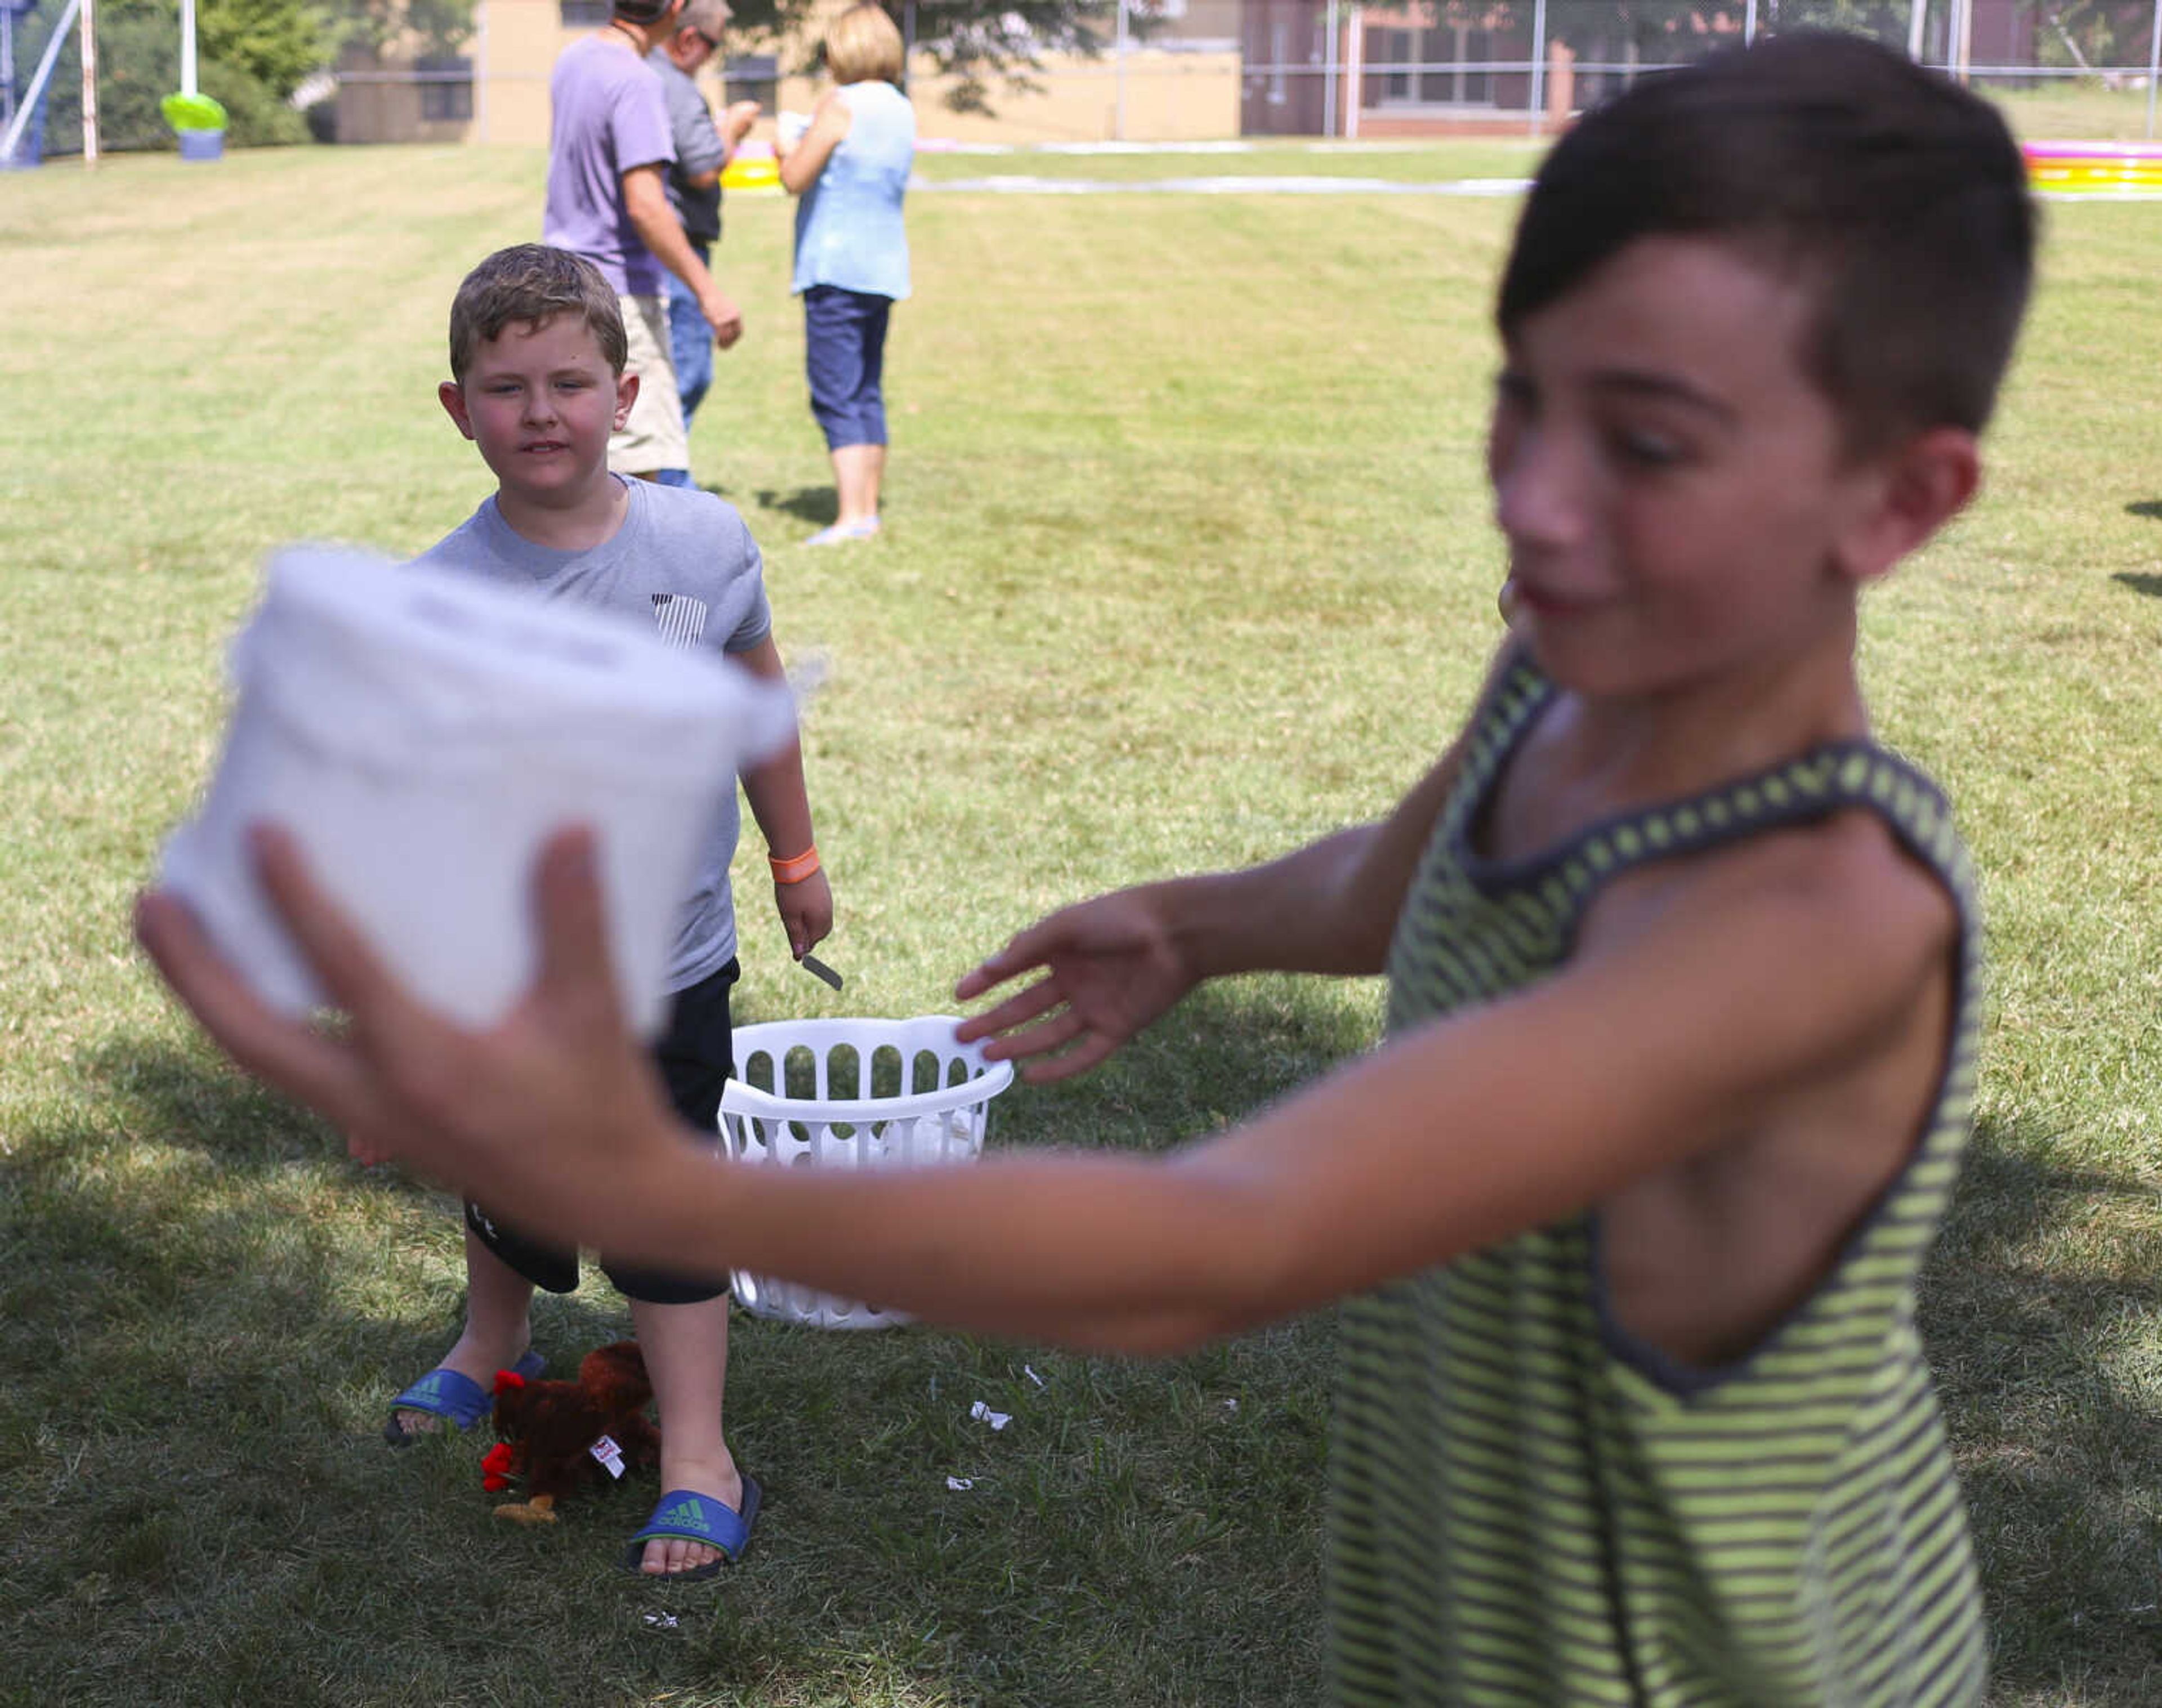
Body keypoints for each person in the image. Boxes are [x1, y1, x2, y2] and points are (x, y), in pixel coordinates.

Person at [142, 34, 2031, 1702]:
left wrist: (633, 1176)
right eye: (1524, 399)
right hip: (1471, 1614)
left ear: (1901, 500)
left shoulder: (1807, 919)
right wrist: (1207, 926)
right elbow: (1408, 872)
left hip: (1709, 1663)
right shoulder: (1581, 659)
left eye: (1648, 442)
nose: (1531, 498)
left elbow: (1226, 1246)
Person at [385, 244, 834, 1581]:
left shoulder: (701, 543)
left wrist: (796, 859)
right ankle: (490, 1341)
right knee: (510, 1179)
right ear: (458, 408)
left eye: (568, 383)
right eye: (504, 386)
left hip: (670, 965)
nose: (538, 412)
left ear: (625, 394)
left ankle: (698, 1452)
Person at [544, 0, 744, 485]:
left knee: (587, 457)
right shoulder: (637, 81)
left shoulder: (573, 60)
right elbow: (646, 206)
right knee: (634, 472)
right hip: (621, 295)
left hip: (564, 285)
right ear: (675, 8)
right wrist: (709, 293)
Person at [777, 3, 915, 546]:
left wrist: (786, 145)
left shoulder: (841, 104)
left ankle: (850, 516)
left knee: (835, 392)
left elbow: (795, 176)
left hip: (836, 267)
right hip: (884, 267)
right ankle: (869, 510)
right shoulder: (902, 107)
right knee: (866, 389)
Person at [648, 0, 761, 490]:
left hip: (664, 251)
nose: (711, 59)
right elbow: (702, 169)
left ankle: (661, 483)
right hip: (676, 250)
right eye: (713, 47)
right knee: (685, 373)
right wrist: (732, 130)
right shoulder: (672, 84)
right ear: (690, 38)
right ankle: (668, 487)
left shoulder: (645, 75)